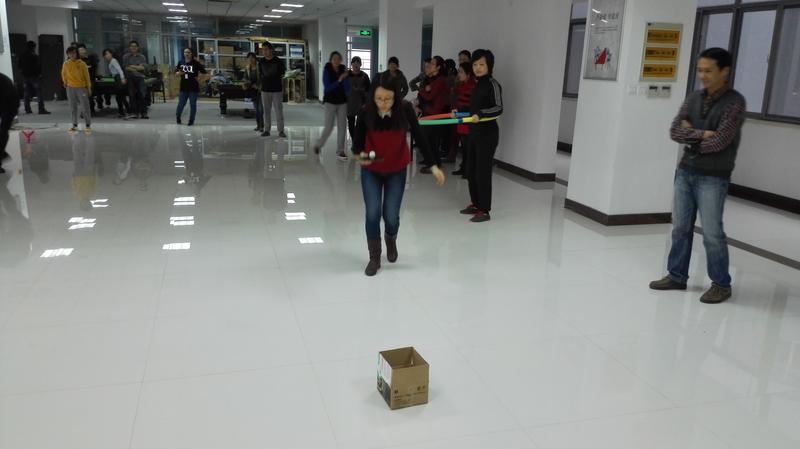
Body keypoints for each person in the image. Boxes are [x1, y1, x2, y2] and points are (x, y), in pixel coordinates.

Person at [649, 48, 746, 304]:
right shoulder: (693, 97)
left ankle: (721, 284)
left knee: (712, 233)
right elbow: (674, 131)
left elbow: (721, 141)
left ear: (724, 71)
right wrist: (703, 135)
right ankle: (677, 276)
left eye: (708, 71)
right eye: (700, 70)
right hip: (685, 172)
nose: (702, 75)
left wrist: (691, 136)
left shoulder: (735, 103)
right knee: (680, 227)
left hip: (713, 176)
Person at [353, 76, 445, 276]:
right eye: (379, 98)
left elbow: (420, 137)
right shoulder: (366, 111)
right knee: (372, 213)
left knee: (391, 216)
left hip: (396, 170)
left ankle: (391, 238)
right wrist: (361, 155)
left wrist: (433, 166)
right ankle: (374, 258)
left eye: (388, 99)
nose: (383, 103)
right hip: (371, 171)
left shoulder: (405, 109)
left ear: (396, 97)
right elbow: (357, 144)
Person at [461, 49, 503, 223]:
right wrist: (459, 113)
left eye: (481, 64)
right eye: (475, 64)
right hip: (474, 133)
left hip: (487, 134)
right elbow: (473, 110)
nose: (477, 68)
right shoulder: (476, 84)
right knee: (470, 171)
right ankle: (476, 204)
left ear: (489, 66)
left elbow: (498, 108)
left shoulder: (493, 84)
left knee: (482, 173)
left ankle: (484, 210)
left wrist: (481, 114)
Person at [313, 51, 349, 160]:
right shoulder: (327, 70)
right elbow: (327, 88)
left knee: (342, 126)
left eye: (338, 59)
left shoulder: (343, 69)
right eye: (334, 59)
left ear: (341, 60)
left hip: (342, 102)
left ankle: (340, 151)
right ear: (331, 60)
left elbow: (346, 88)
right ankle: (319, 145)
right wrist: (339, 80)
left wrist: (345, 78)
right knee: (329, 126)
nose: (336, 61)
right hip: (330, 102)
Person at [417, 56, 448, 172]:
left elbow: (430, 96)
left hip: (435, 114)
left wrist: (422, 90)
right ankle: (435, 163)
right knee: (430, 141)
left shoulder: (440, 80)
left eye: (433, 64)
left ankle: (433, 165)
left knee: (431, 141)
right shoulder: (432, 79)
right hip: (429, 112)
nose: (430, 65)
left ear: (438, 67)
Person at [451, 61, 476, 176]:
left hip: (468, 121)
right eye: (458, 72)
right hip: (461, 119)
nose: (458, 74)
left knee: (468, 147)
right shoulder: (461, 86)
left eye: (461, 72)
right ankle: (464, 167)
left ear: (468, 74)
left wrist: (460, 112)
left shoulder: (472, 87)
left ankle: (468, 169)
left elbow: (471, 106)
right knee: (464, 146)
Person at [61, 46, 93, 134]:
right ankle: (74, 125)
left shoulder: (82, 64)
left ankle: (88, 125)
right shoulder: (66, 64)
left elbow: (87, 77)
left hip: (82, 88)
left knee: (85, 107)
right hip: (70, 88)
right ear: (68, 54)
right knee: (72, 107)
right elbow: (63, 74)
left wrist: (88, 88)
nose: (72, 55)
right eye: (70, 53)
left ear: (76, 54)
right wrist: (65, 82)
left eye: (74, 53)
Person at [258, 42, 286, 137]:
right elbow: (260, 74)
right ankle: (267, 130)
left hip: (277, 90)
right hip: (265, 90)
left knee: (278, 110)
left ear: (271, 50)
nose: (264, 51)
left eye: (266, 49)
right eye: (263, 50)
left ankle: (281, 131)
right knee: (266, 111)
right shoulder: (261, 62)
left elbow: (282, 74)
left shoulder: (278, 61)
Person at [175, 48, 207, 126]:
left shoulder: (195, 63)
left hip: (193, 87)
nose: (186, 54)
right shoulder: (181, 62)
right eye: (185, 52)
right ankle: (178, 117)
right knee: (181, 104)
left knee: (192, 104)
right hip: (183, 87)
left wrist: (199, 78)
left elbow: (204, 72)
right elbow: (176, 72)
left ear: (191, 53)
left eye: (188, 52)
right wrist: (178, 73)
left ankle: (191, 120)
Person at [346, 56, 371, 149]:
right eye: (354, 63)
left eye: (358, 63)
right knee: (351, 123)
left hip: (361, 103)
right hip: (349, 103)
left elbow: (369, 90)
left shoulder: (364, 76)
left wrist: (362, 91)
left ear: (360, 64)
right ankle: (355, 142)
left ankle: (361, 142)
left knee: (361, 124)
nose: (356, 65)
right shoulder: (347, 75)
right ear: (351, 64)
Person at [19, 41, 50, 115]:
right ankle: (41, 109)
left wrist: (23, 73)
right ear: (33, 47)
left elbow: (19, 66)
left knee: (26, 93)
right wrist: (39, 74)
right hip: (34, 77)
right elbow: (38, 66)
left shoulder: (22, 55)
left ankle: (27, 109)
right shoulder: (34, 55)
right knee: (39, 93)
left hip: (25, 77)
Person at [123, 40, 149, 119]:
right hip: (130, 78)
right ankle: (134, 113)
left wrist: (132, 66)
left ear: (138, 47)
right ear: (129, 47)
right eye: (132, 46)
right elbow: (126, 68)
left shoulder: (142, 57)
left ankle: (144, 113)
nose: (133, 48)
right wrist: (137, 67)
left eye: (135, 46)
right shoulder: (126, 56)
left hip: (140, 78)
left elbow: (143, 68)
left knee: (142, 95)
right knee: (132, 95)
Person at [0, 73, 19, 174]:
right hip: (8, 103)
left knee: (3, 132)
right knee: (3, 132)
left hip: (10, 105)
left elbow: (12, 102)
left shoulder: (4, 82)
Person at [102, 49, 129, 118]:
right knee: (120, 97)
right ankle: (123, 112)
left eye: (108, 53)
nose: (107, 55)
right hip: (116, 79)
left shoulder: (113, 60)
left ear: (111, 54)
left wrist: (122, 78)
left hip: (118, 78)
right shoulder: (111, 61)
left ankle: (126, 112)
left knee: (120, 97)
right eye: (105, 54)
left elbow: (119, 70)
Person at [243, 51, 263, 132]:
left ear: (255, 58)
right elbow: (245, 78)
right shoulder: (247, 68)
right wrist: (247, 83)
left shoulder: (259, 67)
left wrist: (257, 85)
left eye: (252, 58)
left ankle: (262, 126)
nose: (250, 59)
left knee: (260, 109)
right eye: (249, 58)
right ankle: (258, 125)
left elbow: (262, 77)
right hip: (252, 90)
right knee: (256, 109)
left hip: (260, 90)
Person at [76, 44, 99, 115]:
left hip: (90, 79)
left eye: (82, 50)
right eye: (79, 50)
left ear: (85, 50)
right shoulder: (76, 61)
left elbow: (93, 68)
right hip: (80, 81)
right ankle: (85, 110)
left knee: (89, 95)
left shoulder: (90, 58)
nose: (81, 52)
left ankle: (90, 110)